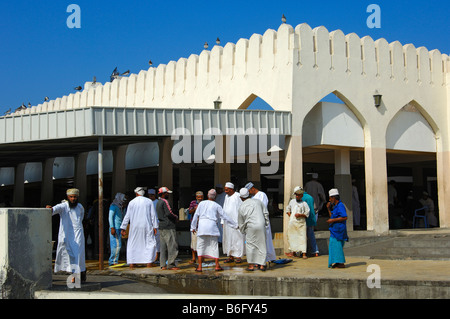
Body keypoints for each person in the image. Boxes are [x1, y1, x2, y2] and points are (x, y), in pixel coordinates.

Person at [190, 189, 237, 272]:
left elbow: (195, 216)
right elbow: (225, 216)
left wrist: (193, 227)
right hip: (212, 227)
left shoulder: (201, 204)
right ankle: (217, 265)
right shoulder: (216, 205)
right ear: (215, 197)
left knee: (200, 246)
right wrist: (235, 225)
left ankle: (200, 266)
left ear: (207, 196)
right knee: (214, 246)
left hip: (202, 227)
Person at [46, 188, 86, 282]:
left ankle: (76, 275)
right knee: (69, 255)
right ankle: (76, 274)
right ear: (68, 197)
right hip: (67, 235)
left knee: (77, 255)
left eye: (75, 197)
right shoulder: (64, 206)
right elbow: (55, 209)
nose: (73, 199)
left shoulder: (80, 207)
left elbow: (81, 218)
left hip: (78, 235)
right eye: (71, 197)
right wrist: (50, 209)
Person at [120, 187, 159, 270]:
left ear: (136, 193)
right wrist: (155, 226)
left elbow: (127, 216)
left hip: (135, 227)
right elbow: (153, 215)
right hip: (147, 226)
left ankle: (132, 263)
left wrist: (123, 227)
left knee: (133, 244)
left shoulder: (131, 202)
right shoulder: (149, 201)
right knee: (149, 243)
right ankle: (149, 262)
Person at [238, 188, 269, 271]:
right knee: (262, 244)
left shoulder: (242, 206)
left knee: (250, 245)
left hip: (250, 226)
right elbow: (265, 213)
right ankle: (262, 265)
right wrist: (266, 223)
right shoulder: (258, 202)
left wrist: (243, 230)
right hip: (261, 225)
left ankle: (251, 265)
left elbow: (241, 221)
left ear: (241, 198)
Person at [245, 182, 277, 262]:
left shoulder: (262, 195)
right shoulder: (252, 197)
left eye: (249, 191)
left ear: (252, 188)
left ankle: (268, 258)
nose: (249, 193)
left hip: (262, 221)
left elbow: (262, 207)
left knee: (265, 241)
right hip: (255, 222)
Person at [156, 186, 180, 270]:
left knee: (163, 247)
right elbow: (169, 213)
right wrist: (176, 217)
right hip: (168, 226)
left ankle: (163, 265)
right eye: (167, 193)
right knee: (172, 246)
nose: (168, 195)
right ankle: (171, 264)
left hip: (161, 226)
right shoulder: (165, 201)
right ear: (163, 194)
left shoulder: (158, 202)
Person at [222, 182, 245, 263]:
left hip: (236, 222)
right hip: (227, 223)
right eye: (225, 190)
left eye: (227, 190)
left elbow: (242, 208)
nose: (225, 191)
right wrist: (222, 221)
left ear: (231, 189)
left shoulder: (238, 196)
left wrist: (241, 222)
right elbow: (224, 209)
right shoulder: (226, 197)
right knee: (228, 239)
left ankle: (238, 256)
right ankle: (230, 256)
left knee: (237, 239)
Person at [326, 188, 348, 269]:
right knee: (333, 246)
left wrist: (333, 220)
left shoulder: (340, 205)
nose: (329, 200)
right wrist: (328, 209)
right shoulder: (335, 207)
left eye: (330, 198)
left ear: (333, 197)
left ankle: (340, 263)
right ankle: (336, 262)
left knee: (337, 246)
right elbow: (332, 216)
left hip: (339, 230)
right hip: (334, 230)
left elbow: (344, 217)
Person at [285, 186, 310, 259]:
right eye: (296, 195)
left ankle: (304, 253)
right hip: (293, 223)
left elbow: (307, 214)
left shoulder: (304, 203)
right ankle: (293, 252)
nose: (297, 196)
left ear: (302, 195)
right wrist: (292, 217)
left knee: (302, 237)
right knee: (292, 237)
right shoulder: (292, 201)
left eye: (298, 195)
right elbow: (288, 210)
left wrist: (300, 215)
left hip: (301, 223)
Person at [108, 192, 126, 266]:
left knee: (118, 245)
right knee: (115, 245)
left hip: (118, 228)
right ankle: (113, 261)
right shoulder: (113, 206)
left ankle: (115, 260)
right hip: (115, 228)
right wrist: (112, 227)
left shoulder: (119, 207)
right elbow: (110, 217)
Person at [188, 191, 204, 264]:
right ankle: (193, 258)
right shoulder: (193, 202)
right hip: (195, 226)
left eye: (201, 197)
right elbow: (189, 212)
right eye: (198, 197)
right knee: (193, 243)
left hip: (202, 226)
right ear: (196, 197)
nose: (200, 198)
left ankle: (202, 258)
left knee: (202, 242)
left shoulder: (205, 203)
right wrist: (195, 208)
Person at [303, 188, 319, 257]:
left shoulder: (302, 198)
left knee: (303, 235)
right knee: (311, 234)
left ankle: (303, 252)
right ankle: (315, 251)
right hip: (313, 216)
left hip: (305, 217)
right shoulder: (310, 197)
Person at [148, 188, 160, 262]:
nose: (151, 197)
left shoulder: (158, 202)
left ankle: (156, 257)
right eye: (150, 195)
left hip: (157, 224)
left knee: (157, 241)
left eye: (152, 195)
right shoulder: (147, 202)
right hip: (149, 224)